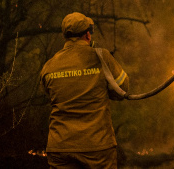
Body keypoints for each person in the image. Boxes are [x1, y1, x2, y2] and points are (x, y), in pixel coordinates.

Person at [40, 12, 129, 169]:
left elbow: (49, 94)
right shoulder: (101, 57)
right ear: (88, 35)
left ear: (65, 36)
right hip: (97, 147)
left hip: (60, 147)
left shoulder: (49, 65)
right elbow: (122, 88)